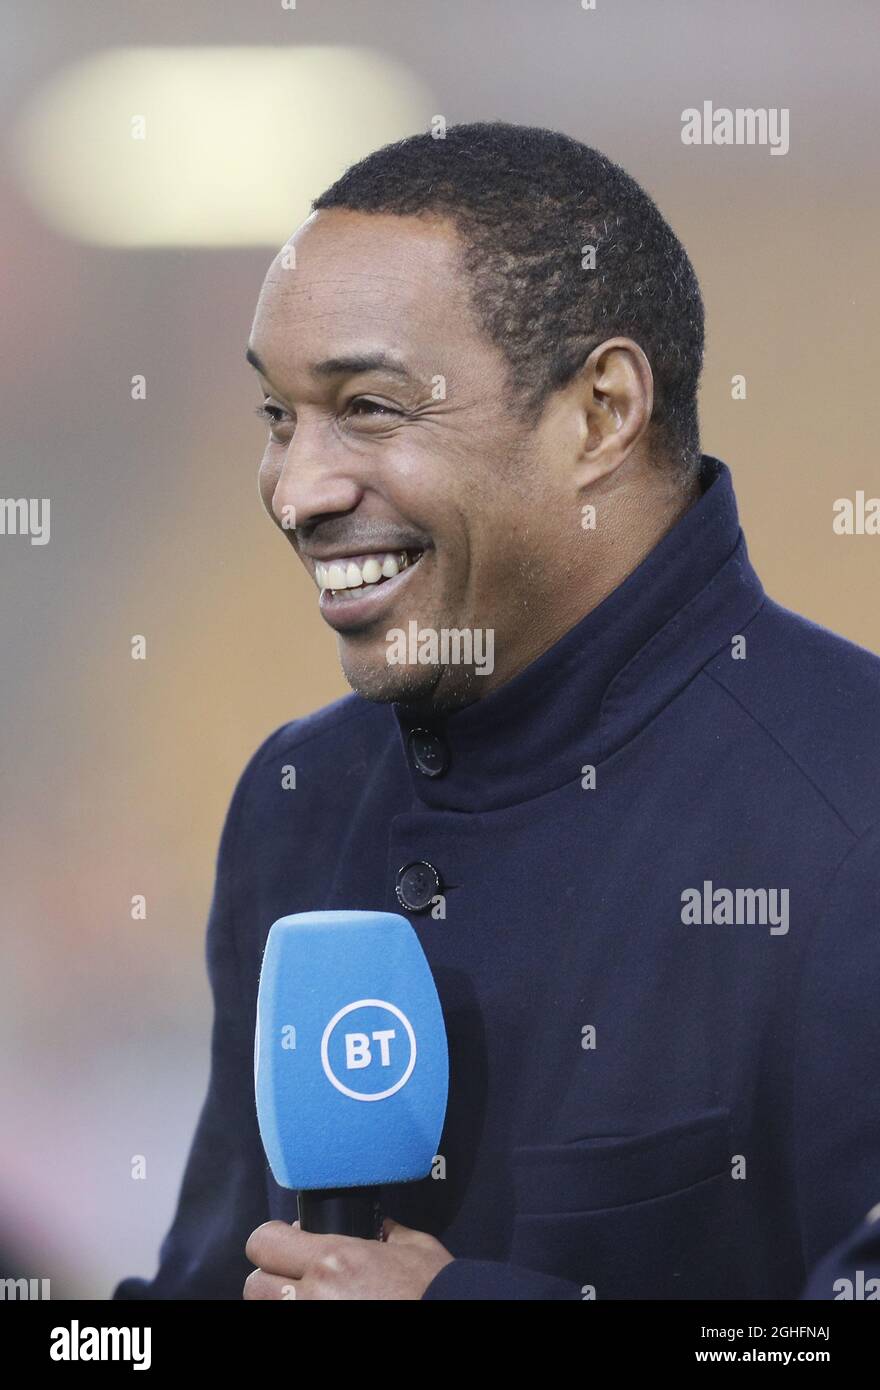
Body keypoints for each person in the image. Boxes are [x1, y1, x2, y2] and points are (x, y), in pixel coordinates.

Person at [114, 123, 880, 1300]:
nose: (297, 490)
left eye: (367, 407)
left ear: (599, 413)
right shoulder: (297, 801)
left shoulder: (850, 805)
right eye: (277, 416)